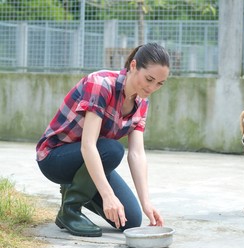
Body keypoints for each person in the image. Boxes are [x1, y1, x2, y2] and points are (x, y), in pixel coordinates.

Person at [36, 42, 169, 237]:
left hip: (88, 158)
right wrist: (107, 195)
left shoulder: (141, 102)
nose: (152, 87)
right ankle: (70, 211)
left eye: (159, 83)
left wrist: (146, 202)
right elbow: (88, 145)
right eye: (149, 79)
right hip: (54, 157)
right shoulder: (101, 84)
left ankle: (74, 185)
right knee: (113, 150)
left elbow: (137, 153)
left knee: (130, 220)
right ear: (133, 66)